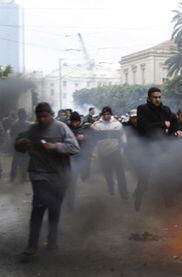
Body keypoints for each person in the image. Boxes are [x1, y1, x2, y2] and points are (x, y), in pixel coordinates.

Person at [15, 102, 80, 262]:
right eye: (40, 117)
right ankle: (31, 246)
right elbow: (19, 145)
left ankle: (52, 240)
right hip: (38, 173)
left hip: (59, 174)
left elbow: (74, 148)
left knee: (54, 208)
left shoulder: (61, 128)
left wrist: (54, 146)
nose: (43, 119)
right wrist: (22, 143)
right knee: (38, 207)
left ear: (51, 114)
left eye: (46, 116)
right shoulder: (33, 129)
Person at [134, 87, 182, 211]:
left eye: (159, 97)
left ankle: (168, 202)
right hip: (148, 147)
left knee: (166, 174)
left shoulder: (165, 109)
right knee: (145, 177)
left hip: (162, 147)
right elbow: (143, 127)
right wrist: (162, 124)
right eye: (155, 97)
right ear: (149, 98)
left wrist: (178, 129)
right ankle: (138, 197)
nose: (157, 99)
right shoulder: (142, 109)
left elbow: (174, 120)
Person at [91, 106, 129, 200]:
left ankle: (124, 192)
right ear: (102, 115)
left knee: (120, 173)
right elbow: (94, 137)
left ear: (111, 114)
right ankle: (111, 186)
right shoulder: (97, 125)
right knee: (107, 172)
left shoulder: (117, 124)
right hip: (103, 152)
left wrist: (124, 146)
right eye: (104, 114)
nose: (106, 116)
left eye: (108, 114)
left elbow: (123, 136)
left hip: (115, 151)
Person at [9, 108, 31, 182]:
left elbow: (11, 134)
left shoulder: (14, 124)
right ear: (25, 115)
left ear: (18, 115)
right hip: (25, 145)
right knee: (25, 162)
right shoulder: (28, 124)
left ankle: (12, 176)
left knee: (15, 161)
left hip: (16, 144)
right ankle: (24, 177)